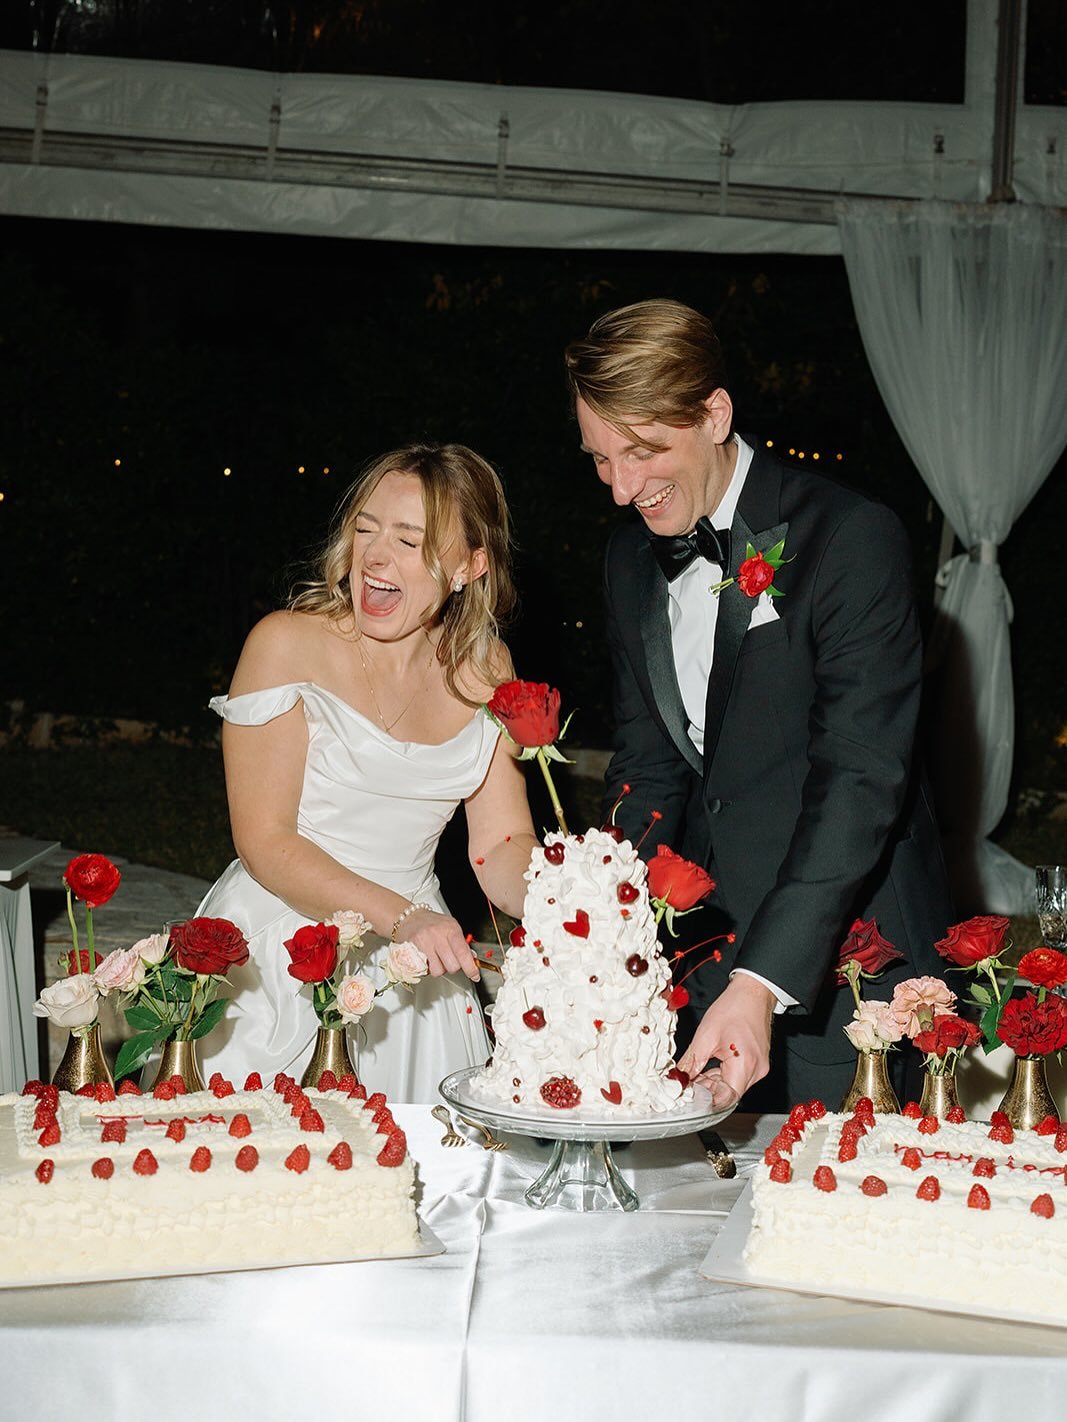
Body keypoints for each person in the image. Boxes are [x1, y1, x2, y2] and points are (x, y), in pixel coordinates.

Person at [564, 299, 954, 1110]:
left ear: (714, 415)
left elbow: (860, 774)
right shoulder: (629, 563)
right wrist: (598, 917)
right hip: (699, 954)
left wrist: (762, 977)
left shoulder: (850, 537)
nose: (621, 489)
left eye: (642, 452)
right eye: (600, 459)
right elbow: (650, 765)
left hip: (849, 959)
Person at [195, 442, 539, 1102]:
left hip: (416, 972)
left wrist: (571, 902)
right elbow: (264, 841)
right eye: (364, 529)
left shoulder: (488, 667)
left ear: (471, 565)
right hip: (284, 949)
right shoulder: (285, 644)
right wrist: (402, 918)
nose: (375, 558)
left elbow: (500, 845)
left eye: (409, 541)